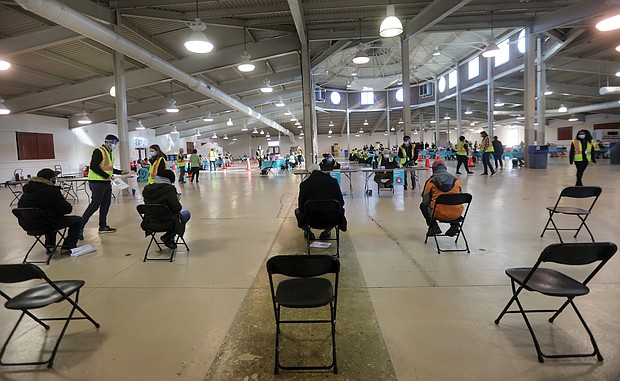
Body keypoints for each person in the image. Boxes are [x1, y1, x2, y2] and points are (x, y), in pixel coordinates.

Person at [18, 168, 83, 254]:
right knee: (77, 220)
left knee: (48, 216)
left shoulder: (26, 192)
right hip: (46, 224)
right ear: (51, 180)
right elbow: (67, 209)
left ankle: (50, 245)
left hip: (27, 225)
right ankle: (68, 246)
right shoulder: (51, 191)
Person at [81, 134, 128, 238]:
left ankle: (103, 226)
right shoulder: (99, 151)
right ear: (106, 142)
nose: (114, 145)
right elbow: (93, 167)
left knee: (106, 204)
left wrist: (120, 172)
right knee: (95, 204)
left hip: (106, 182)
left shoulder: (110, 154)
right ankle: (80, 226)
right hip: (97, 182)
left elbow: (109, 168)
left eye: (115, 144)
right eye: (112, 143)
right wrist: (107, 176)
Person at [295, 163, 346, 240]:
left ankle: (308, 232)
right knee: (340, 210)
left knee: (297, 211)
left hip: (311, 220)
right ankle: (326, 231)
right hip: (332, 218)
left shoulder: (304, 184)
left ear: (309, 173)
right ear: (320, 170)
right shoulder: (333, 181)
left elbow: (301, 206)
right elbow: (341, 202)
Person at [142, 169, 190, 249]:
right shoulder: (169, 190)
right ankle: (169, 237)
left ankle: (168, 237)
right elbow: (176, 208)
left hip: (150, 221)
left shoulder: (147, 189)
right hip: (167, 222)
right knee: (186, 214)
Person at [420, 160, 463, 237]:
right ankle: (454, 226)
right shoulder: (456, 180)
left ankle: (434, 227)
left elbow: (425, 201)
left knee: (422, 206)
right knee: (453, 203)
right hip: (456, 214)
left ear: (434, 169)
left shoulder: (431, 181)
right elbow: (460, 197)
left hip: (437, 213)